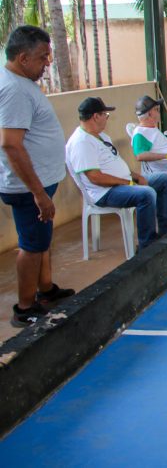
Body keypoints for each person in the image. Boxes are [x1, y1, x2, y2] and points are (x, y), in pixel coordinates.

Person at [0, 25, 74, 327]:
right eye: (43, 58)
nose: (47, 63)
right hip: (30, 188)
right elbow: (11, 145)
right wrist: (38, 193)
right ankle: (25, 306)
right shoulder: (14, 90)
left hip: (40, 184)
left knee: (41, 240)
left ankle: (46, 290)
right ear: (22, 57)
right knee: (31, 245)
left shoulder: (21, 82)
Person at [66, 97, 167, 249]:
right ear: (96, 116)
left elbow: (116, 163)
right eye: (105, 115)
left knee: (162, 179)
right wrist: (128, 182)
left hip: (122, 181)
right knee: (146, 194)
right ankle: (147, 244)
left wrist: (136, 177)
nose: (107, 119)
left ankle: (165, 228)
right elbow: (95, 178)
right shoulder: (81, 143)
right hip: (105, 192)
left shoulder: (101, 136)